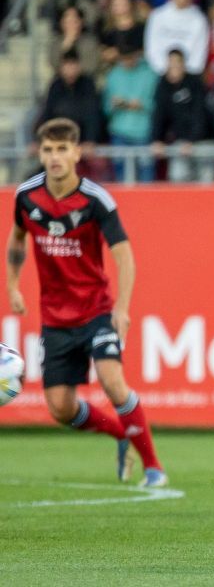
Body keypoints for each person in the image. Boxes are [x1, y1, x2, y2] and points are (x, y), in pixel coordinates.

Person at [6, 118, 168, 488]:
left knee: (113, 381)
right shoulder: (27, 196)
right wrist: (13, 285)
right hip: (55, 318)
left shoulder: (96, 200)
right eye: (48, 150)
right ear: (40, 153)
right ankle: (121, 434)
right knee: (60, 408)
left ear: (77, 153)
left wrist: (121, 309)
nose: (55, 157)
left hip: (96, 310)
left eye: (62, 149)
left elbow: (125, 256)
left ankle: (154, 466)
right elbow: (17, 239)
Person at [150, 49, 212, 182]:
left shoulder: (195, 83)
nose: (174, 68)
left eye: (177, 64)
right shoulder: (163, 85)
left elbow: (200, 114)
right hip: (181, 141)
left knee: (205, 180)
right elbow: (159, 114)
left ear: (183, 65)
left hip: (203, 139)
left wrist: (192, 139)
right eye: (171, 64)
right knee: (178, 176)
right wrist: (157, 139)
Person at [103, 43, 158, 182]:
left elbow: (158, 106)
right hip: (119, 132)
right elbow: (105, 108)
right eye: (124, 58)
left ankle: (147, 204)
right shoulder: (113, 75)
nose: (127, 62)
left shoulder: (150, 75)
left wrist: (142, 105)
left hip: (143, 132)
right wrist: (114, 104)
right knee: (121, 177)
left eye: (130, 58)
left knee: (146, 176)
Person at [144, 0, 209, 75]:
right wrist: (165, 70)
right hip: (160, 73)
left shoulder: (199, 19)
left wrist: (183, 72)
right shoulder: (157, 16)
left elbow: (199, 54)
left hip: (188, 75)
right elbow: (152, 48)